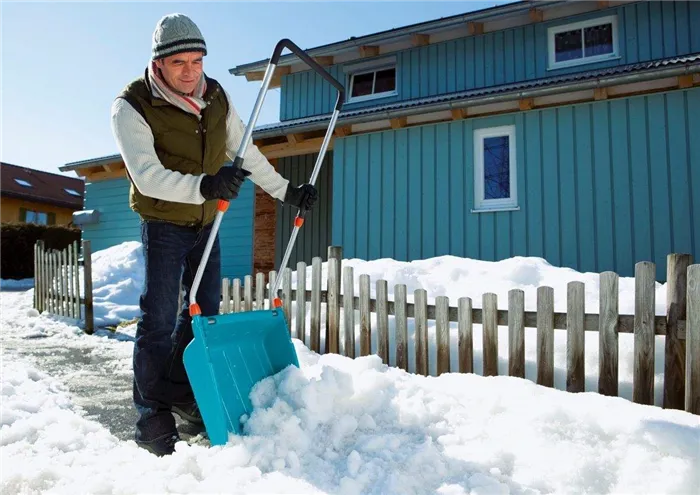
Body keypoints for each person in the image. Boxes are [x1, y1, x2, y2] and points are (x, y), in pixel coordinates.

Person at [110, 12, 318, 456]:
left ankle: (183, 396)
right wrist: (204, 185)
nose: (190, 71)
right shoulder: (131, 105)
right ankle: (151, 414)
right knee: (159, 319)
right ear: (159, 64)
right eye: (179, 62)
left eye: (197, 61)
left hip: (207, 223)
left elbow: (245, 152)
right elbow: (146, 176)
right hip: (164, 222)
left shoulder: (216, 97)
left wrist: (287, 192)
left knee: (203, 315)